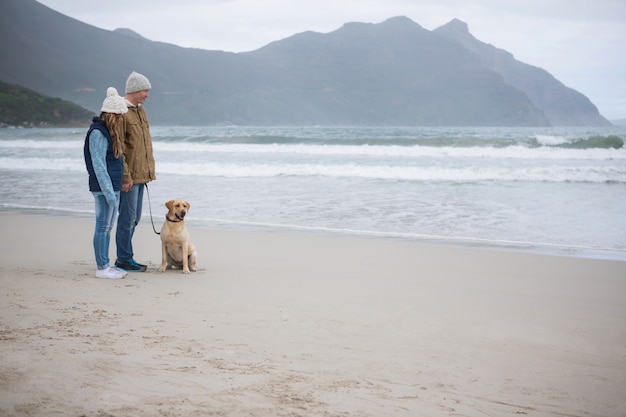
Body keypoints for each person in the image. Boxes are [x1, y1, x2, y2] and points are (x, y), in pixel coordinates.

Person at [84, 87, 128, 279]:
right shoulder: (97, 133)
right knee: (102, 227)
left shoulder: (108, 131)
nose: (121, 119)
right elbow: (99, 165)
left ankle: (106, 265)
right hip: (104, 189)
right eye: (119, 116)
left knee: (107, 227)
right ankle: (102, 267)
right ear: (112, 115)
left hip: (113, 187)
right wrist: (110, 195)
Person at [115, 71, 156, 272]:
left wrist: (147, 173)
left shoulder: (141, 112)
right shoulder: (122, 112)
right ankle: (123, 258)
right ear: (134, 90)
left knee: (135, 218)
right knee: (127, 218)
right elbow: (119, 147)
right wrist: (125, 176)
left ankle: (126, 256)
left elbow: (142, 146)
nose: (147, 94)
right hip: (129, 178)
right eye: (145, 90)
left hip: (141, 176)